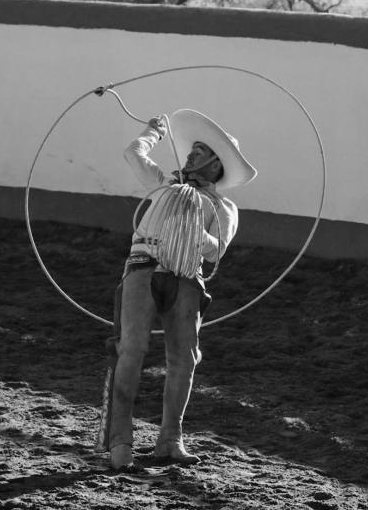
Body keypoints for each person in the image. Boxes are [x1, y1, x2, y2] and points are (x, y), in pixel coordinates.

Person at [102, 108, 257, 471]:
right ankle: (120, 443)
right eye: (193, 150)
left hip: (187, 279)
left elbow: (216, 249)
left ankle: (171, 439)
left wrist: (191, 228)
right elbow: (133, 155)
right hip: (142, 269)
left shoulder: (224, 207)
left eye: (201, 152)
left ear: (216, 165)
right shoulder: (165, 185)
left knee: (183, 359)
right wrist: (153, 132)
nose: (191, 154)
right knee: (133, 348)